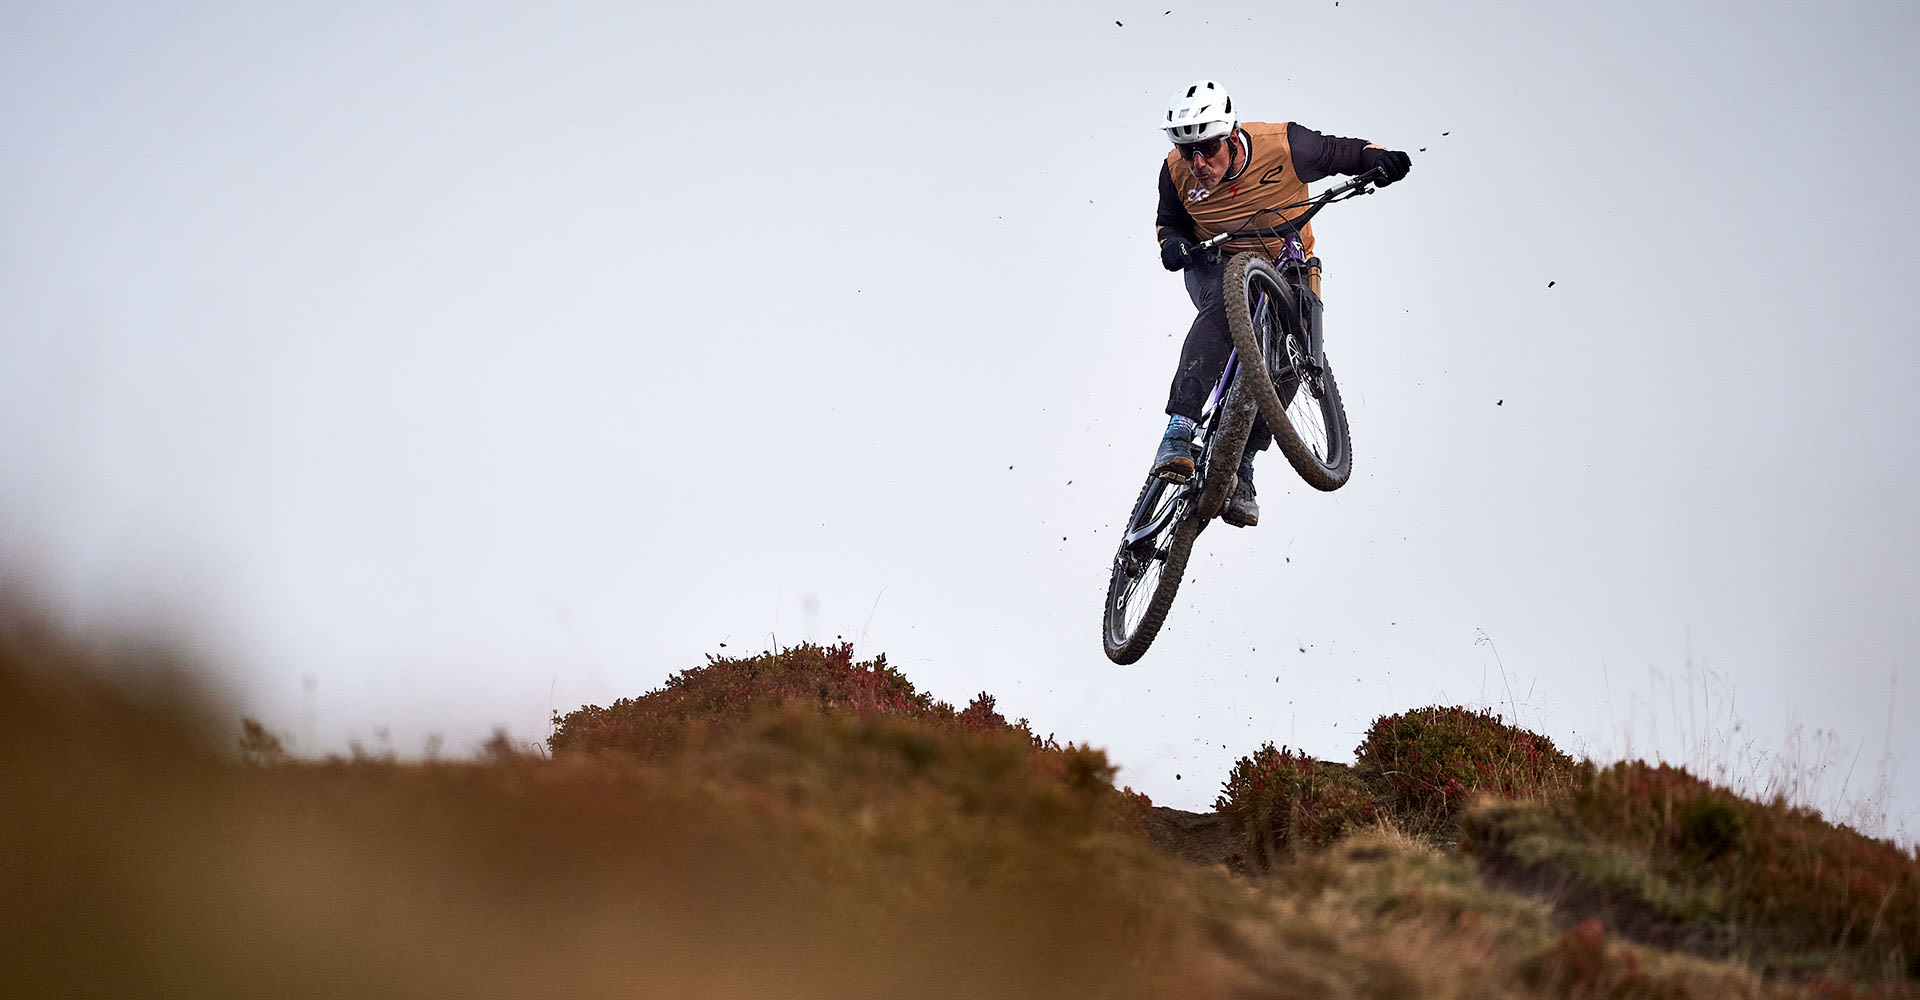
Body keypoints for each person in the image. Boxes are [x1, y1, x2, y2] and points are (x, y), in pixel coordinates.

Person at [1151, 79, 1411, 527]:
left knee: (1295, 355)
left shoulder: (1285, 145)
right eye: (1187, 150)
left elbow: (1341, 153)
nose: (1198, 163)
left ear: (1232, 137)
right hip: (1217, 259)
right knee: (1223, 310)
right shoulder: (1174, 171)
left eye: (1208, 149)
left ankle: (1244, 465)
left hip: (1288, 260)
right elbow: (1169, 223)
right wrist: (1172, 245)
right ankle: (1178, 431)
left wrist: (1379, 160)